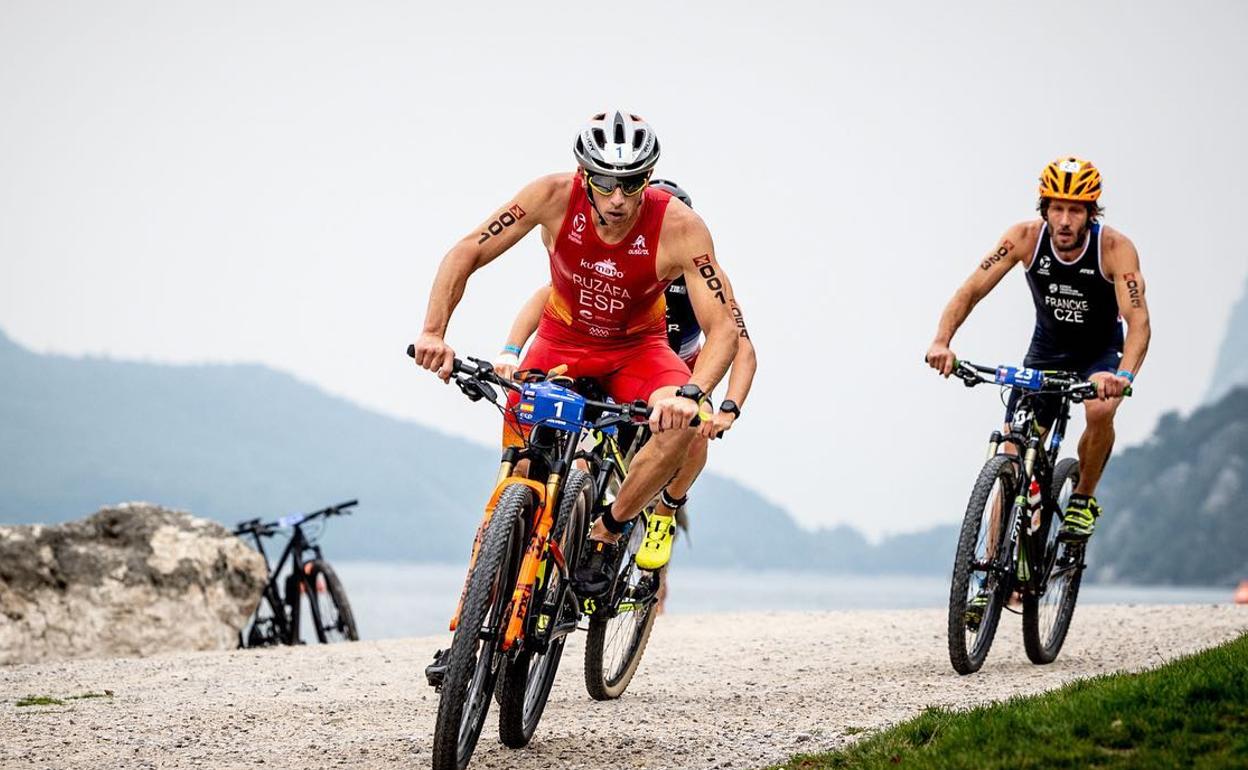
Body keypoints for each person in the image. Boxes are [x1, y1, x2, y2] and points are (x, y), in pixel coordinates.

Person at [410, 110, 740, 594]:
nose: (618, 199)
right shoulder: (551, 195)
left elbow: (725, 329)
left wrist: (692, 393)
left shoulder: (681, 226)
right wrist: (434, 331)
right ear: (584, 173)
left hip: (637, 350)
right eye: (605, 182)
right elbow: (466, 252)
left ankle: (609, 531)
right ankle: (480, 607)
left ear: (648, 178)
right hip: (561, 340)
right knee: (519, 474)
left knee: (684, 426)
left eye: (631, 184)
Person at [492, 179, 758, 571]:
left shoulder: (700, 270)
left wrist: (729, 409)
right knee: (578, 456)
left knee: (696, 433)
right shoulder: (625, 266)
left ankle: (664, 514)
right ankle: (559, 523)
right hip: (622, 366)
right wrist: (511, 351)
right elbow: (547, 296)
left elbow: (741, 346)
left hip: (680, 377)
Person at [926, 156, 1151, 545]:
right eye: (1057, 208)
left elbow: (1138, 321)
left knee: (1099, 408)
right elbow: (971, 290)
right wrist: (942, 341)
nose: (1064, 220)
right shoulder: (1024, 238)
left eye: (1075, 211)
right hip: (1046, 351)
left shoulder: (1115, 248)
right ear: (1044, 208)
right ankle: (990, 575)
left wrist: (1124, 377)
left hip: (1099, 354)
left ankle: (1082, 499)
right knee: (1012, 453)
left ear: (1090, 213)